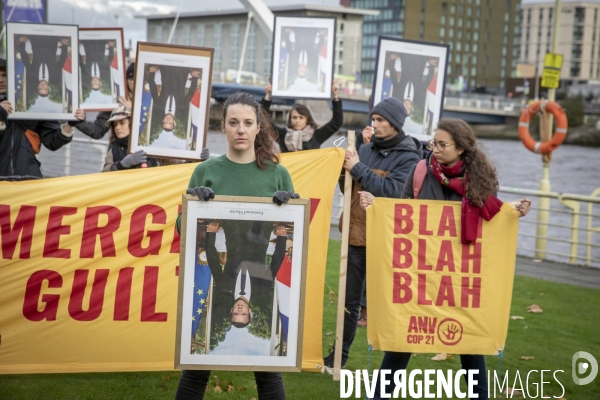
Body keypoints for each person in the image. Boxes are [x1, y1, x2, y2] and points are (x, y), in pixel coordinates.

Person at [359, 118, 532, 400]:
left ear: (461, 148)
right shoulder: (420, 171)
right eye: (433, 143)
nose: (434, 150)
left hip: (460, 278)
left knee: (470, 342)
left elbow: (492, 218)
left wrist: (515, 213)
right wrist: (375, 207)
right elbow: (401, 213)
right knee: (403, 337)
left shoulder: (481, 180)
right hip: (421, 273)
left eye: (442, 145)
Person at [174, 91, 300, 400]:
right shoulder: (207, 171)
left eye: (247, 123)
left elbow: (298, 232)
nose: (240, 129)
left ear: (259, 127)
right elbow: (181, 228)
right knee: (195, 367)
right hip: (223, 283)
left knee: (270, 371)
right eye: (233, 122)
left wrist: (291, 207)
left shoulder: (278, 174)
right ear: (223, 126)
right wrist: (195, 210)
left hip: (259, 274)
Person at [325, 96, 423, 369]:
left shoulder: (410, 156)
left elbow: (391, 192)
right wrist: (341, 168)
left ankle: (392, 362)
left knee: (389, 305)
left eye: (380, 120)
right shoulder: (366, 150)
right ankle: (337, 358)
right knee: (348, 302)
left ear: (395, 123)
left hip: (388, 242)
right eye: (374, 119)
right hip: (356, 236)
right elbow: (349, 186)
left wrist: (357, 167)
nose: (374, 124)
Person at [205, 220, 287, 329]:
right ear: (249, 311)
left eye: (235, 313)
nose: (239, 310)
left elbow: (213, 260)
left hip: (234, 229)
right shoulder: (263, 290)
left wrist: (211, 233)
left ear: (231, 310)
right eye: (243, 313)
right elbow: (276, 262)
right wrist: (281, 238)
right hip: (260, 230)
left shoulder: (222, 287)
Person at [0, 58, 73, 179]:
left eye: (5, 75)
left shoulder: (32, 105)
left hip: (28, 178)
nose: (1, 80)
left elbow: (52, 142)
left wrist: (70, 125)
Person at [262, 80, 343, 152]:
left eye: (301, 117)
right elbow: (264, 122)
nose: (297, 120)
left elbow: (336, 123)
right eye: (294, 117)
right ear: (290, 119)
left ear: (307, 119)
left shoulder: (316, 135)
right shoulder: (283, 134)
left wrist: (335, 97)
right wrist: (268, 97)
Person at [65, 62, 136, 139]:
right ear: (127, 81)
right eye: (131, 79)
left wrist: (132, 111)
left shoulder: (150, 101)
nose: (135, 83)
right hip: (119, 149)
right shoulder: (118, 101)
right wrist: (78, 120)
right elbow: (97, 131)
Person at [102, 106, 160, 172]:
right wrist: (120, 165)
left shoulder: (151, 144)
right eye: (115, 124)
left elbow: (171, 166)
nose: (117, 128)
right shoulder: (113, 150)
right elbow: (104, 173)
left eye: (122, 123)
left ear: (132, 123)